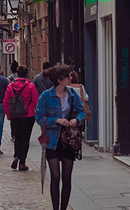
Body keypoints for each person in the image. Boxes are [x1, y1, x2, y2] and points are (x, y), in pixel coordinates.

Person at [35, 64, 86, 210]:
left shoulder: (71, 94)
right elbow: (39, 117)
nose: (71, 77)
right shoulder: (46, 96)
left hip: (69, 140)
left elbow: (81, 111)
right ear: (59, 79)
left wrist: (76, 120)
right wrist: (56, 120)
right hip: (52, 140)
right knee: (55, 176)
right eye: (67, 76)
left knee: (67, 177)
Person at [4, 65, 39, 171]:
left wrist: (9, 115)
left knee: (17, 137)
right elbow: (36, 101)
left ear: (17, 74)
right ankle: (22, 162)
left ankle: (16, 156)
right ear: (27, 74)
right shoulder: (31, 86)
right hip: (28, 115)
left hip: (15, 115)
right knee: (25, 138)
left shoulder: (11, 86)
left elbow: (5, 102)